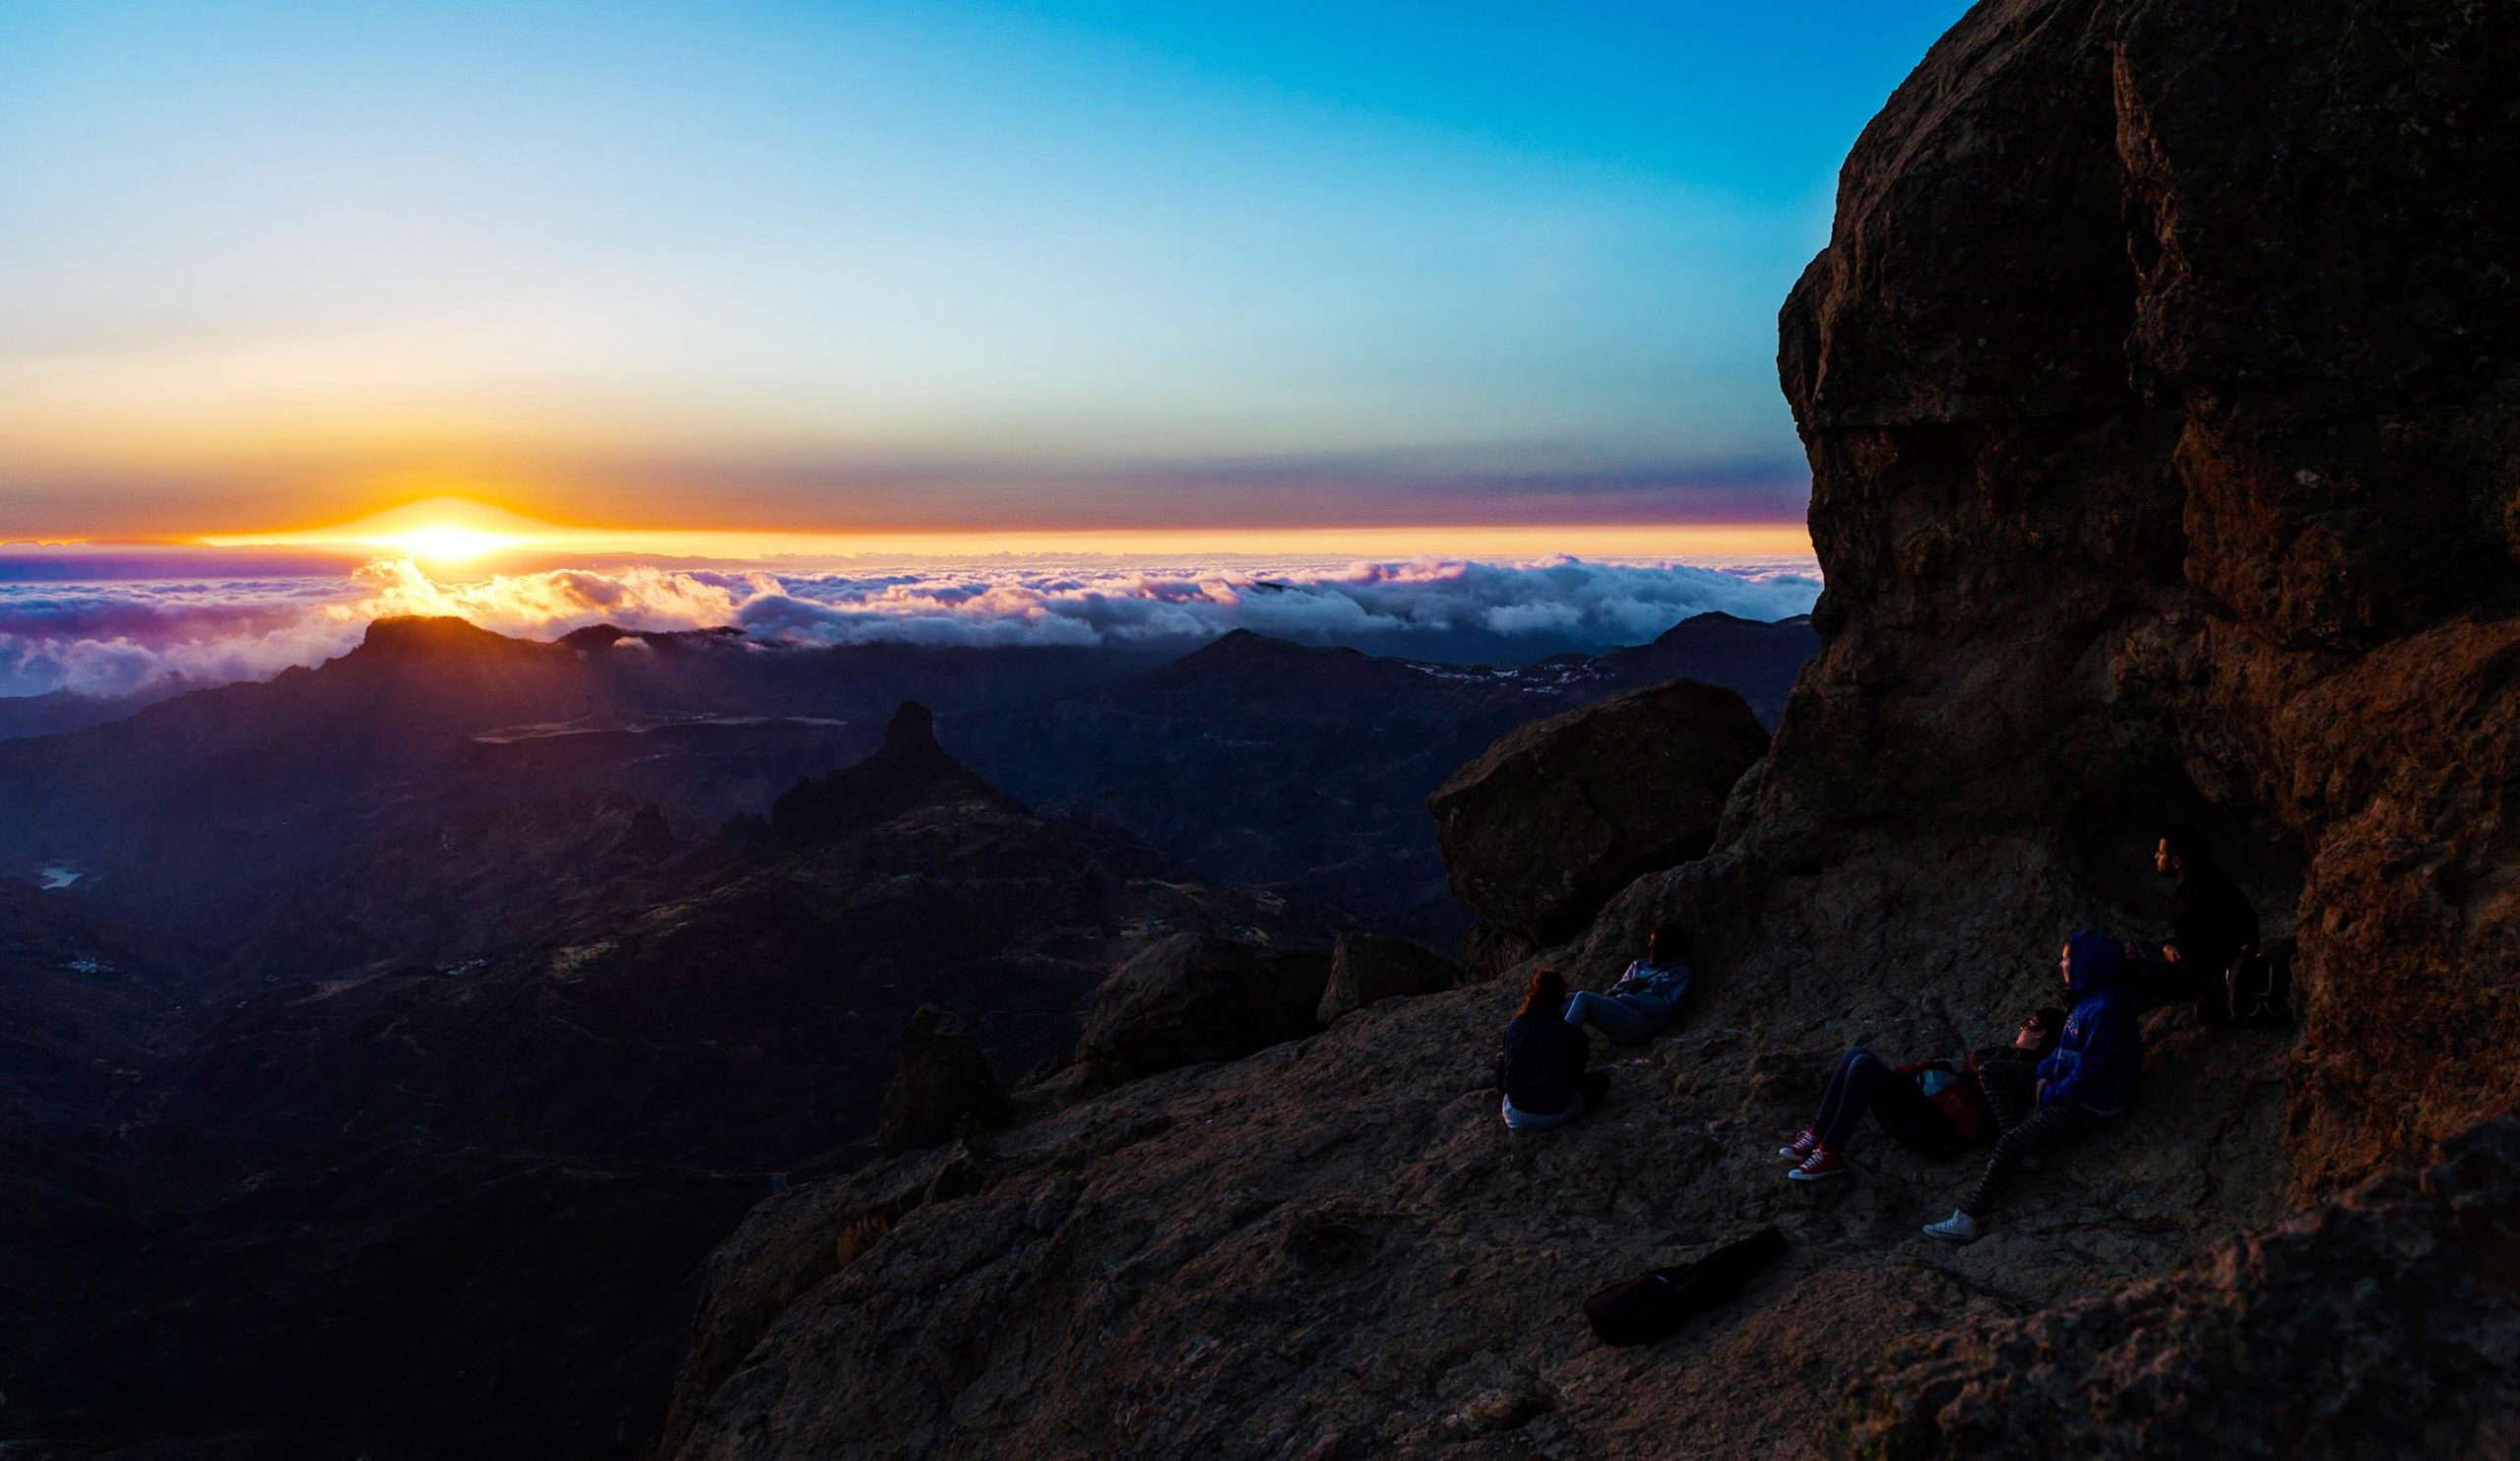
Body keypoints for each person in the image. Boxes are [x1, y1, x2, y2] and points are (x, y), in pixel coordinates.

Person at [1923, 930, 2142, 1243]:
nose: (2062, 964)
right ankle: (2021, 1150)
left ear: (2087, 964)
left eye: (2068, 958)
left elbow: (2091, 1073)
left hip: (2092, 1103)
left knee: (2011, 1142)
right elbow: (2063, 1054)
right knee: (1992, 1072)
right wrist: (2042, 1073)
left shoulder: (2107, 1010)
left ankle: (1968, 1218)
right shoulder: (2086, 1003)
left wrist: (2051, 1093)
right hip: (2065, 1086)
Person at [1778, 1007, 2065, 1180]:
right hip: (1926, 1106)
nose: (2021, 1027)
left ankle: (1830, 1151)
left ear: (2040, 1034)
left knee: (1863, 1064)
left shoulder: (2025, 1072)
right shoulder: (2005, 1054)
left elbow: (1994, 1118)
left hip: (1937, 1129)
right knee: (1856, 1053)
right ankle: (1818, 1134)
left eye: (2028, 1023)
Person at [2123, 825, 2259, 1015]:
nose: (2156, 856)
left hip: (2206, 977)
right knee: (2137, 949)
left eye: (2161, 853)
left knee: (2129, 968)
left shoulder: (2195, 896)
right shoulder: (2212, 881)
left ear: (2177, 862)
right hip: (2215, 965)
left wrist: (2170, 950)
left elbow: (2194, 954)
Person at [1496, 967, 1607, 1130]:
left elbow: (1507, 1070)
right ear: (1562, 1000)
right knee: (1601, 1081)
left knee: (1501, 1058)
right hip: (1554, 1113)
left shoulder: (1515, 1027)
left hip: (1515, 1115)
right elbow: (1576, 1077)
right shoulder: (1571, 1033)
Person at [1562, 924, 1695, 1045]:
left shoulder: (1680, 973)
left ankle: (1557, 1044)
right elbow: (1612, 993)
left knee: (1583, 997)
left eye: (1656, 944)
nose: (1650, 946)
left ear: (1669, 947)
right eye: (1651, 942)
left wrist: (1632, 998)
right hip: (1619, 1010)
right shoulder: (1638, 965)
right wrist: (1626, 989)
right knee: (1567, 999)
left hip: (1642, 1022)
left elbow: (1667, 1009)